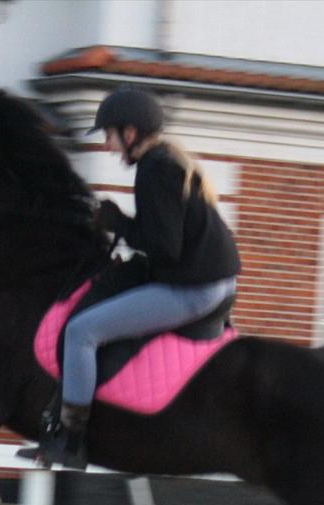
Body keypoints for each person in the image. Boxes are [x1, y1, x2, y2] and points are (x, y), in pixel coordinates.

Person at [34, 85, 242, 469]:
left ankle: (71, 440)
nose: (109, 146)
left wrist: (119, 223)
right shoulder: (167, 162)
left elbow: (165, 246)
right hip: (211, 281)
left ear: (130, 133)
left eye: (110, 136)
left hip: (194, 289)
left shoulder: (155, 170)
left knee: (82, 331)